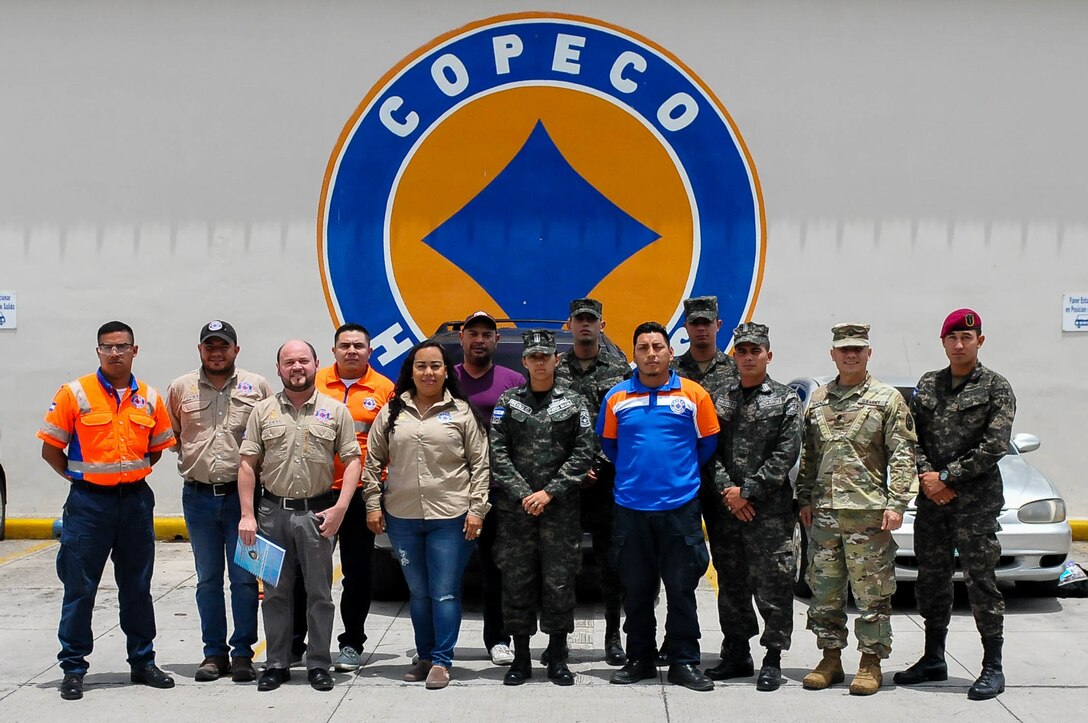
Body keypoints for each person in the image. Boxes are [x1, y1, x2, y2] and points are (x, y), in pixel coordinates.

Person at [38, 320, 177, 701]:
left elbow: (157, 447)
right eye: (107, 347)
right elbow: (51, 448)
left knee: (137, 587)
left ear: (135, 350)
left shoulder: (148, 396)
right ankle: (73, 667)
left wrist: (124, 477)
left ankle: (143, 662)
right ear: (98, 351)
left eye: (121, 346)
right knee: (80, 588)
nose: (114, 353)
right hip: (88, 506)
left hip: (134, 502)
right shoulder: (74, 393)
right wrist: (79, 480)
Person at [894, 309, 1016, 701]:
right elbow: (912, 439)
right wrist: (929, 479)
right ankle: (933, 657)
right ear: (943, 342)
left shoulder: (997, 387)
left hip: (975, 504)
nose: (959, 344)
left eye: (968, 338)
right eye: (952, 338)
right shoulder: (928, 384)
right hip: (933, 503)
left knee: (982, 583)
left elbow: (995, 445)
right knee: (932, 581)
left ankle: (992, 666)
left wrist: (946, 478)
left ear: (980, 341)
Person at [795, 323, 917, 696]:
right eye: (844, 349)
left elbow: (902, 454)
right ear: (833, 354)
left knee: (872, 594)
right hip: (826, 513)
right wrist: (804, 498)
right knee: (825, 590)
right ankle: (829, 658)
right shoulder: (818, 400)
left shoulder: (887, 399)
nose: (851, 354)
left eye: (858, 349)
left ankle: (870, 662)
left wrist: (897, 503)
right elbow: (809, 455)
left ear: (869, 353)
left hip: (869, 515)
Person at [598, 321, 719, 692]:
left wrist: (676, 476)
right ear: (633, 355)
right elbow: (609, 448)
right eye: (643, 348)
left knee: (682, 588)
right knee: (636, 589)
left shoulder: (694, 394)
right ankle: (640, 658)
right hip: (631, 509)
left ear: (670, 352)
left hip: (679, 508)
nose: (651, 354)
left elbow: (708, 444)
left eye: (657, 347)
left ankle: (683, 660)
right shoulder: (616, 398)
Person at [364, 341, 491, 690]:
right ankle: (424, 656)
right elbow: (373, 462)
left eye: (436, 366)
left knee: (445, 592)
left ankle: (442, 661)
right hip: (403, 517)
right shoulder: (392, 412)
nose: (428, 373)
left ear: (446, 371)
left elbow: (480, 466)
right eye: (421, 366)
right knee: (418, 592)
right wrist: (373, 504)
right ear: (411, 370)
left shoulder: (462, 413)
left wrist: (477, 510)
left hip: (450, 517)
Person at [237, 340, 361, 693]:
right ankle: (276, 663)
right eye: (289, 362)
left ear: (316, 364)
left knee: (319, 593)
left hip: (316, 516)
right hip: (270, 515)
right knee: (275, 593)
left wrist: (340, 508)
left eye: (303, 361)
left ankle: (319, 663)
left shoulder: (336, 411)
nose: (297, 367)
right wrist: (248, 515)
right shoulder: (262, 412)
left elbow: (353, 461)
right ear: (278, 369)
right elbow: (247, 464)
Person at [166, 320, 273, 683]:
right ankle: (213, 654)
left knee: (244, 580)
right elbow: (175, 437)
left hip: (242, 500)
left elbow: (269, 438)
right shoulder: (181, 388)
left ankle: (243, 653)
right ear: (200, 350)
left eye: (223, 346)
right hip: (198, 498)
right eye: (209, 346)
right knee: (208, 579)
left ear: (235, 350)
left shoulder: (256, 387)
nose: (216, 352)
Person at [490, 329, 595, 686]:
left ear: (556, 360)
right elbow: (498, 454)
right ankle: (520, 659)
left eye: (545, 356)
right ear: (524, 361)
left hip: (559, 512)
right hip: (516, 513)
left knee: (559, 583)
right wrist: (524, 494)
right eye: (532, 356)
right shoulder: (508, 402)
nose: (539, 361)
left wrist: (548, 493)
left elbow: (583, 454)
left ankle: (558, 656)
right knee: (517, 583)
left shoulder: (574, 402)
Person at [290, 323, 395, 672]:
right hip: (315, 492)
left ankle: (352, 643)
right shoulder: (313, 382)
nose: (351, 351)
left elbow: (392, 443)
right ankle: (294, 642)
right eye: (345, 345)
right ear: (333, 351)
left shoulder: (384, 390)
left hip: (362, 495)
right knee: (305, 573)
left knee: (357, 573)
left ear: (369, 351)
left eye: (358, 346)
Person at [703, 323, 802, 691]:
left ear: (768, 355)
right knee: (730, 584)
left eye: (755, 351)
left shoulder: (786, 399)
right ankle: (737, 653)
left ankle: (773, 658)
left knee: (773, 584)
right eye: (742, 351)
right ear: (734, 355)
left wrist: (748, 490)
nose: (748, 357)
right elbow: (709, 449)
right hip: (727, 510)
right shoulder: (721, 398)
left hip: (768, 512)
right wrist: (729, 490)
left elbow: (785, 454)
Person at [554, 297, 631, 666]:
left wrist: (596, 464)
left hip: (608, 480)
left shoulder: (618, 369)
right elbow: (549, 424)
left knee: (612, 563)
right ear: (569, 325)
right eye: (579, 319)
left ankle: (613, 636)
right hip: (564, 481)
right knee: (563, 562)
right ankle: (559, 638)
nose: (585, 325)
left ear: (602, 325)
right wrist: (572, 468)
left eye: (591, 319)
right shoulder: (554, 369)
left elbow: (622, 423)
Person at [452, 310, 525, 666]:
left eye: (487, 334)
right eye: (474, 333)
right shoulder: (444, 380)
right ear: (463, 338)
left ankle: (498, 638)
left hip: (498, 489)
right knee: (447, 569)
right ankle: (439, 642)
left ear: (496, 340)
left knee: (496, 569)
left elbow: (526, 435)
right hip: (450, 490)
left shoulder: (513, 381)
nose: (480, 339)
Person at [671, 295, 738, 665]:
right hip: (680, 482)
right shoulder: (670, 370)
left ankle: (734, 646)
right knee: (678, 568)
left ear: (717, 325)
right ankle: (681, 641)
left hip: (723, 486)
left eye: (706, 322)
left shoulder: (735, 370)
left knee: (728, 568)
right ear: (686, 327)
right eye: (694, 322)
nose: (700, 328)